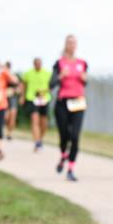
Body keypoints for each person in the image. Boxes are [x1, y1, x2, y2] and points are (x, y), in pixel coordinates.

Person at [51, 34, 88, 182]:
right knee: (64, 135)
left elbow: (85, 82)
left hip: (78, 102)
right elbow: (51, 84)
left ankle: (71, 168)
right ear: (65, 45)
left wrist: (84, 79)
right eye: (69, 43)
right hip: (62, 102)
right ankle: (63, 155)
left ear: (76, 46)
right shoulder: (59, 63)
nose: (71, 45)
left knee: (75, 136)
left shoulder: (82, 63)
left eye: (74, 43)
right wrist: (60, 76)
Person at [20, 57, 52, 152]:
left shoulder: (47, 73)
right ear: (34, 64)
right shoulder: (28, 73)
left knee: (44, 123)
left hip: (44, 99)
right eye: (36, 63)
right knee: (35, 120)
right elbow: (23, 84)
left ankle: (40, 139)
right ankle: (37, 142)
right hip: (32, 98)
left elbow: (51, 86)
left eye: (39, 63)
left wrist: (44, 91)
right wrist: (22, 96)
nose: (38, 65)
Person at [4, 60, 20, 140]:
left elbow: (18, 87)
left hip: (12, 98)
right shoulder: (2, 76)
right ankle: (6, 129)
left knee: (13, 115)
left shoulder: (14, 76)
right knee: (6, 117)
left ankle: (10, 133)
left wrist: (15, 90)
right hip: (4, 98)